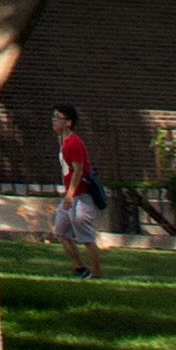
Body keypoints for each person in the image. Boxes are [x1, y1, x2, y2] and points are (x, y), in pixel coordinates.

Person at [57, 113, 109, 279]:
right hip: (70, 196)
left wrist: (69, 195)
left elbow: (78, 170)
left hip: (80, 197)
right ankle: (80, 268)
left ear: (68, 123)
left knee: (86, 237)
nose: (54, 121)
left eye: (57, 118)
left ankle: (97, 274)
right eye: (53, 118)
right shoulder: (63, 142)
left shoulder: (74, 143)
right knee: (60, 232)